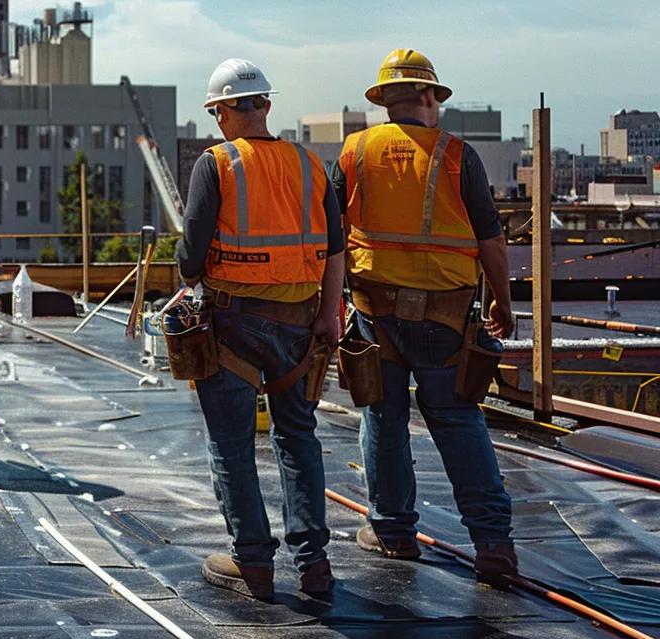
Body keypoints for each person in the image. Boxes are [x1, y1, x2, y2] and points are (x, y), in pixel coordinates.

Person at [335, 49, 518, 584]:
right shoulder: (458, 155)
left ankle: (393, 532)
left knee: (382, 418)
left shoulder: (354, 152)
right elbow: (491, 242)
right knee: (459, 420)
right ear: (427, 94)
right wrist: (503, 302)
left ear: (383, 99)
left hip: (374, 312)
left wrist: (331, 305)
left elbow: (332, 237)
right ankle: (493, 547)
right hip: (445, 317)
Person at [176, 59, 346, 600]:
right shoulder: (309, 163)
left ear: (221, 112)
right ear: (266, 105)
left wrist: (190, 271)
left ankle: (252, 562)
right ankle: (314, 563)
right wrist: (329, 312)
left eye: (218, 112)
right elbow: (336, 248)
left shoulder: (216, 163)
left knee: (231, 444)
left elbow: (190, 257)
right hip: (300, 322)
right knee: (298, 437)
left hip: (232, 323)